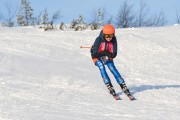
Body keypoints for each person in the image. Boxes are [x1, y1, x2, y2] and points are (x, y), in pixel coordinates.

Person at [91, 24, 133, 99]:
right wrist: (104, 53)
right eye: (107, 36)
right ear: (103, 34)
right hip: (97, 55)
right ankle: (109, 85)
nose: (109, 38)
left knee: (112, 67)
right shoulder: (98, 40)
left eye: (111, 35)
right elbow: (95, 54)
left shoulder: (114, 39)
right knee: (101, 66)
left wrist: (110, 54)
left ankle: (122, 84)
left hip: (106, 55)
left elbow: (114, 53)